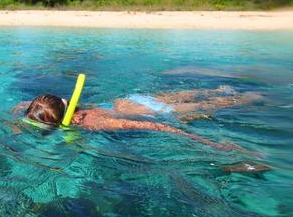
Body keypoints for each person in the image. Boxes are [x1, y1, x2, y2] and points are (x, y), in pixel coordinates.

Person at [14, 86, 262, 151]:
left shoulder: (92, 122)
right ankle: (232, 91)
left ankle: (255, 96)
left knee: (216, 105)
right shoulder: (40, 104)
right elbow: (26, 106)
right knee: (206, 96)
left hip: (152, 111)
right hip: (132, 100)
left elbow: (153, 126)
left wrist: (210, 144)